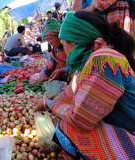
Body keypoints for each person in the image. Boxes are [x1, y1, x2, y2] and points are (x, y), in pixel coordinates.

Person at [35, 11, 135, 159]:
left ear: (74, 43)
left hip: (131, 128)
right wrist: (55, 100)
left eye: (63, 43)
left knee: (65, 129)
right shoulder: (90, 60)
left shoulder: (103, 59)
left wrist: (48, 104)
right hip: (122, 123)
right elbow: (71, 91)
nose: (63, 48)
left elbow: (80, 120)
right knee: (64, 120)